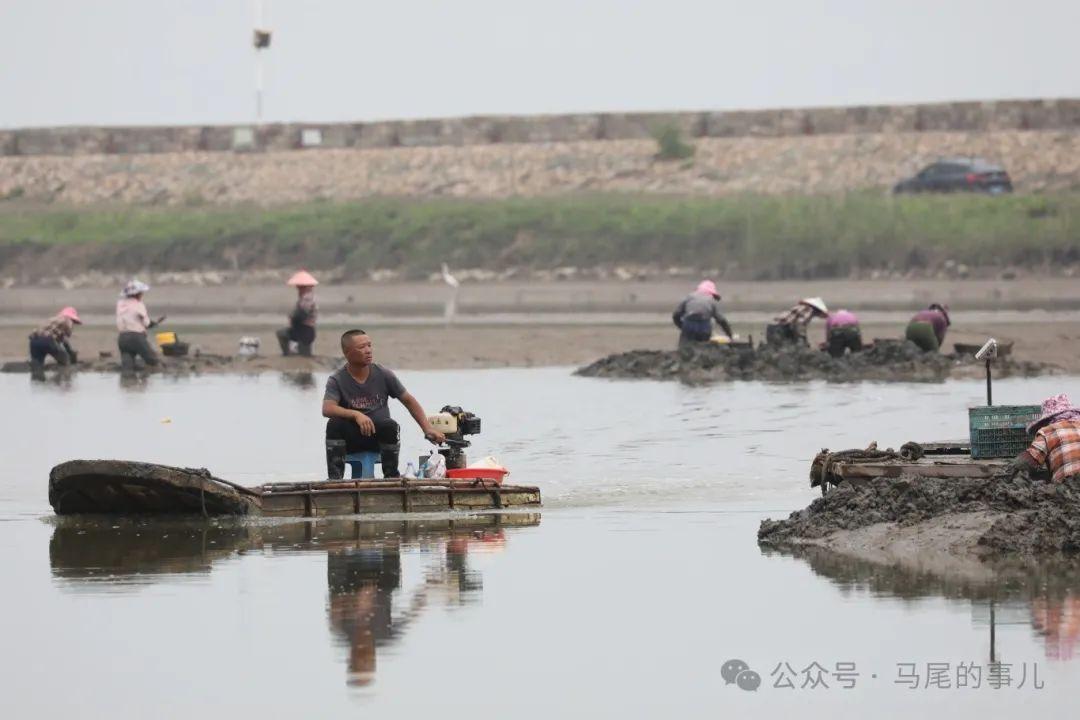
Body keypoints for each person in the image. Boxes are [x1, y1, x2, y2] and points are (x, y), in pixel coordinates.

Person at [322, 329, 447, 479]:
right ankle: (335, 480)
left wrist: (427, 429)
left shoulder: (383, 374)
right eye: (362, 347)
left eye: (369, 345)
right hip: (351, 441)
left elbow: (408, 401)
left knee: (390, 426)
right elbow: (327, 408)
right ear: (347, 352)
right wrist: (356, 415)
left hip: (378, 439)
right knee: (334, 424)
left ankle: (391, 477)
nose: (368, 350)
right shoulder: (337, 379)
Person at [1007, 394, 1080, 483]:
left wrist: (1009, 474)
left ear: (1047, 420)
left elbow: (1027, 460)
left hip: (1069, 487)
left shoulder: (1048, 431)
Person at [116, 279, 163, 371]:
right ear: (138, 294)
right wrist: (152, 324)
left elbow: (129, 317)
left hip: (122, 338)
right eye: (141, 293)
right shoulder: (138, 304)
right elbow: (146, 322)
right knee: (152, 360)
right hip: (136, 338)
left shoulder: (120, 304)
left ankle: (127, 383)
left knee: (127, 366)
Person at [672, 280, 734, 347]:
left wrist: (682, 326)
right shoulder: (711, 301)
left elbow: (676, 314)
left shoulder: (690, 297)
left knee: (684, 347)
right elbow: (722, 320)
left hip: (689, 323)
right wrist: (730, 335)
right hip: (704, 326)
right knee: (703, 348)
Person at [277, 270, 319, 357]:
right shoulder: (303, 298)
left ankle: (288, 354)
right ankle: (289, 355)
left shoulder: (307, 298)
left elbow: (302, 314)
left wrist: (292, 317)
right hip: (300, 329)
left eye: (300, 287)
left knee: (304, 356)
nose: (298, 288)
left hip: (305, 330)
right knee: (282, 333)